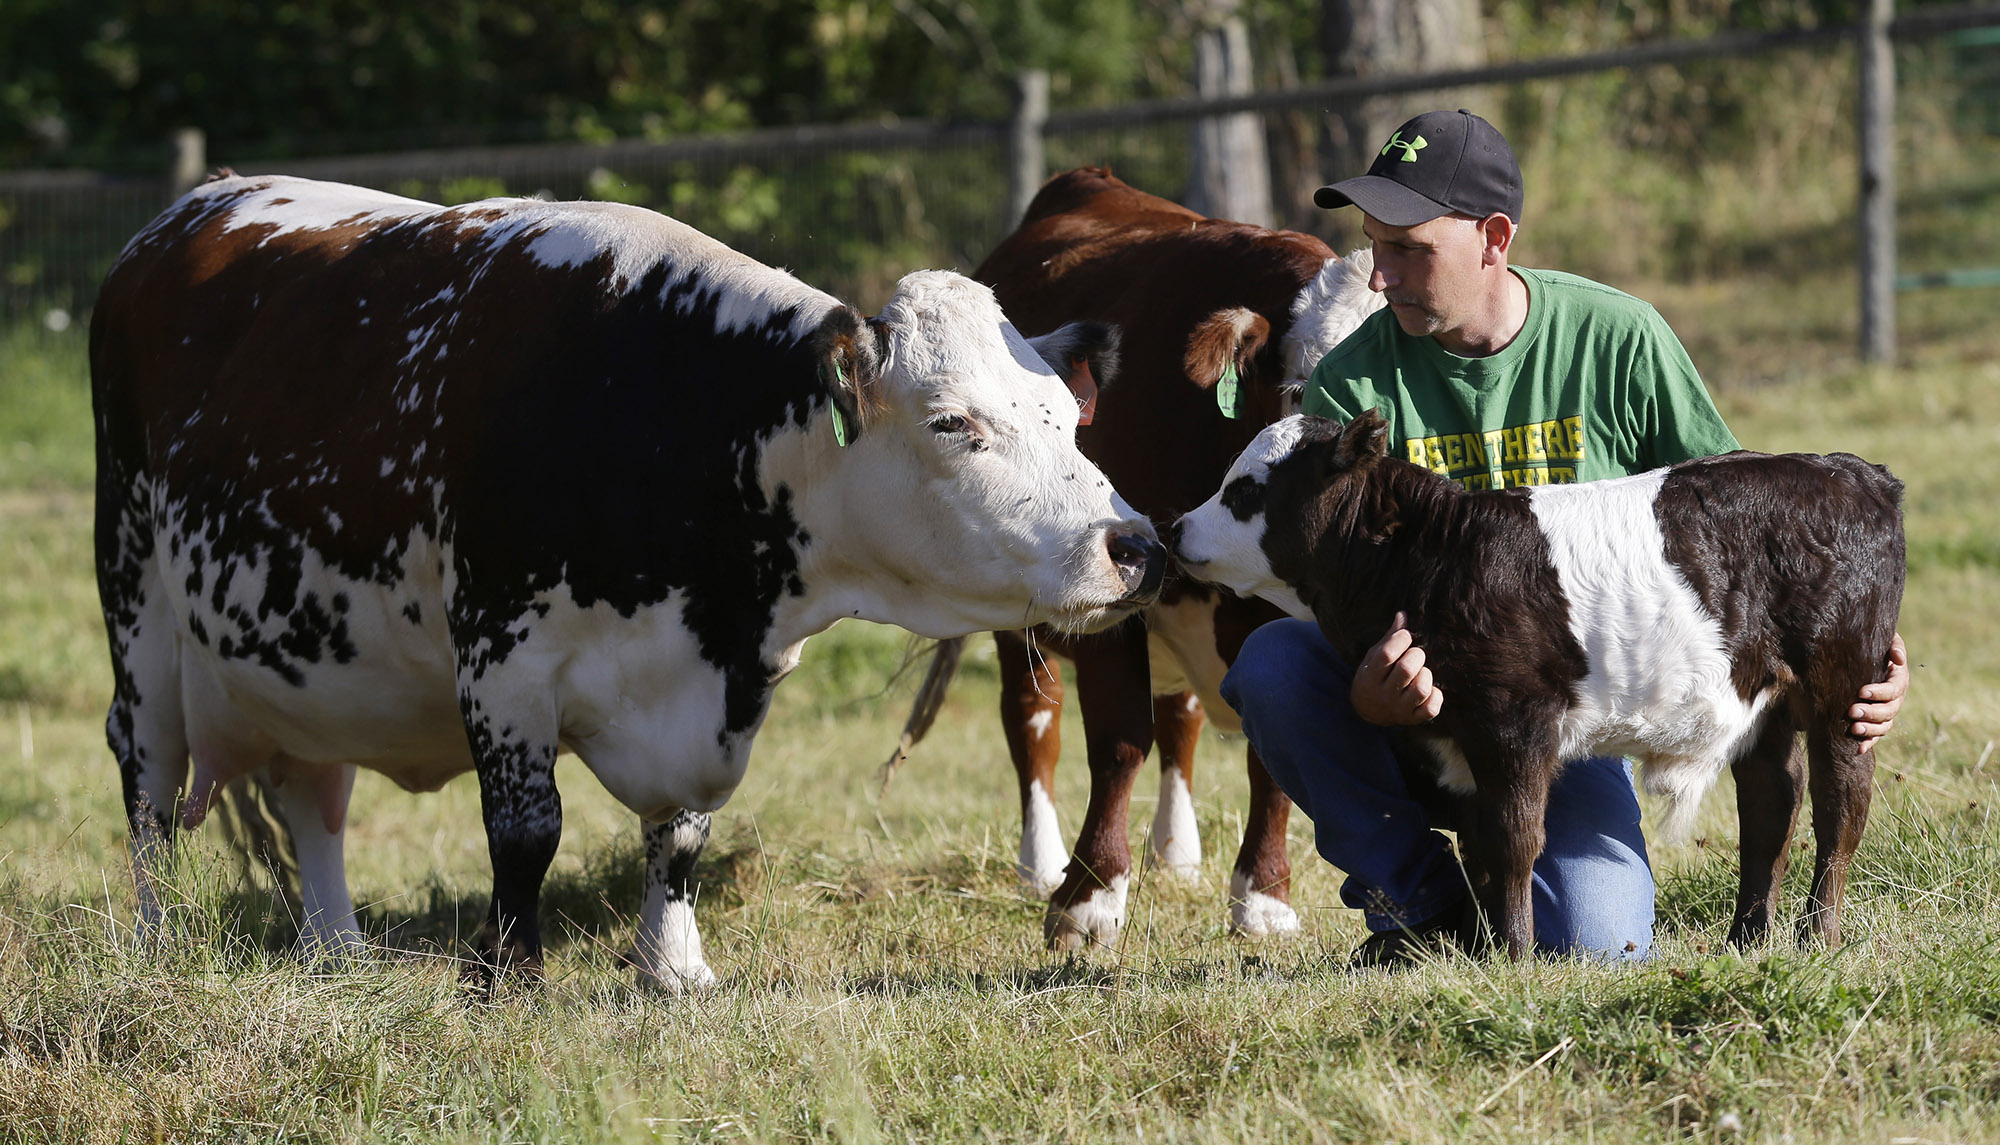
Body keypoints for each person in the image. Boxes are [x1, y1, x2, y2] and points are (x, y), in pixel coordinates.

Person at [1219, 109, 1910, 968]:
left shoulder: (1617, 340)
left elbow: (1745, 531)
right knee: (1274, 666)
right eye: (1374, 244)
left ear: (1494, 238)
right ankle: (1424, 910)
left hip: (1562, 718)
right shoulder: (1351, 383)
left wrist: (1862, 647)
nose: (1381, 275)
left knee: (1600, 941)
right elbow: (1316, 575)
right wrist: (1365, 686)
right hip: (1414, 704)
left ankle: (1537, 890)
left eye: (1410, 249)